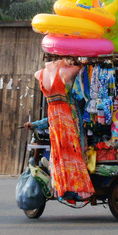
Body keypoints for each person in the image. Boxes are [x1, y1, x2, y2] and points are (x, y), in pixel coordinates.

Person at [35, 59, 94, 201]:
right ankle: (77, 186)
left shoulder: (39, 74)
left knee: (58, 151)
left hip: (53, 115)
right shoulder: (64, 72)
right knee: (72, 149)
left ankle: (63, 186)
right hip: (64, 114)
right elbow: (79, 68)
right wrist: (81, 63)